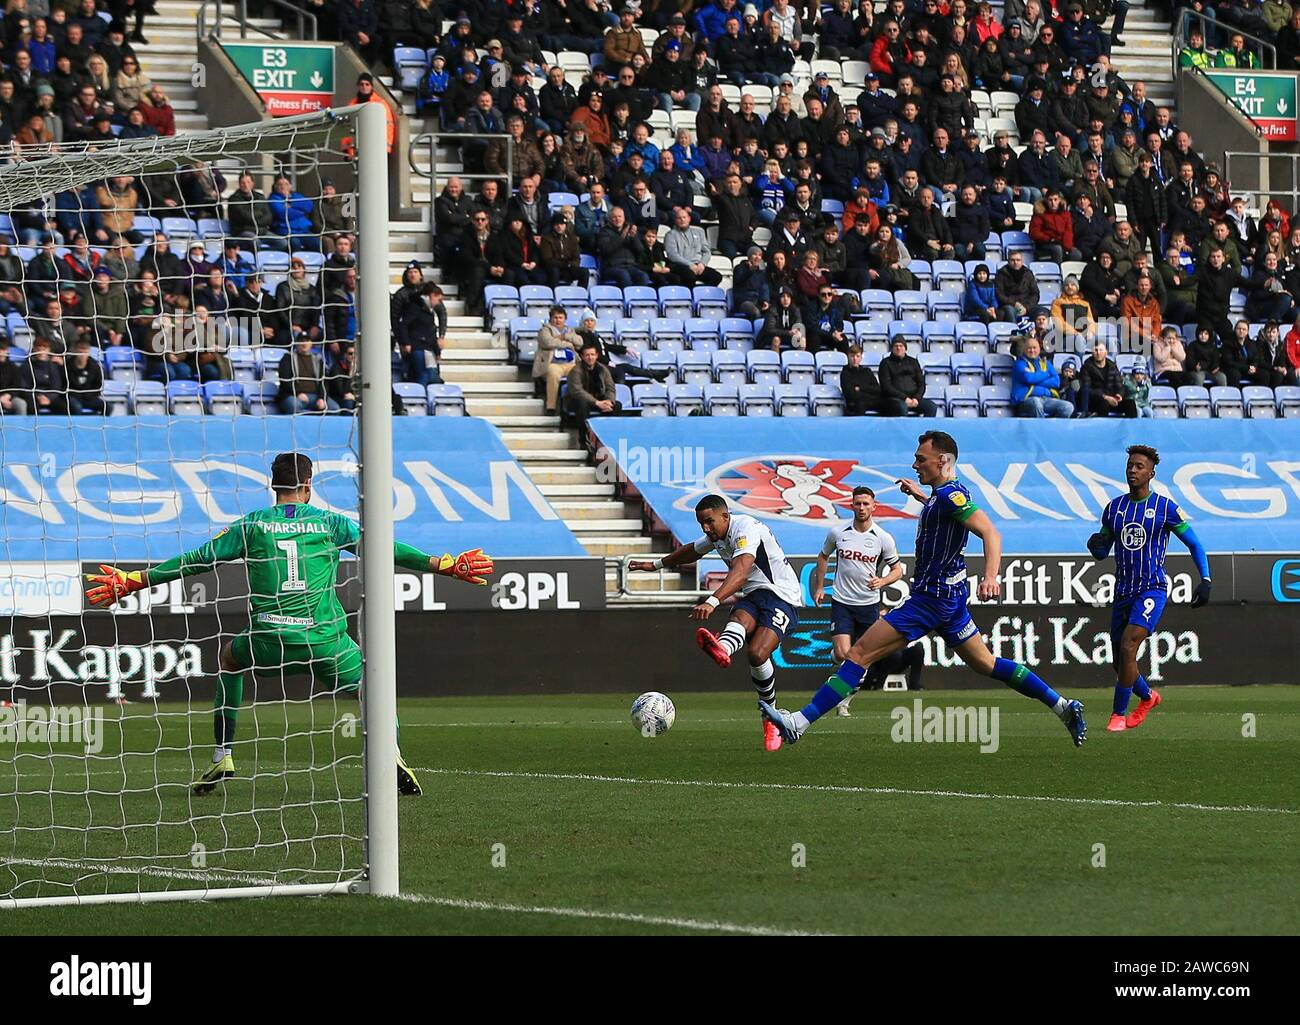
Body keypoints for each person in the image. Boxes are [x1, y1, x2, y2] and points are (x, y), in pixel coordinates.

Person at [85, 453, 495, 797]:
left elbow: (197, 559)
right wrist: (441, 565)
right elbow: (384, 547)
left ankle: (222, 754)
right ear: (308, 484)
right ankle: (389, 752)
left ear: (273, 485)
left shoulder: (253, 524)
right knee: (374, 683)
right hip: (325, 642)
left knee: (229, 656)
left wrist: (137, 580)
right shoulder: (330, 524)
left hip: (269, 641)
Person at [762, 431, 1087, 748]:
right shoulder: (944, 496)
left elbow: (991, 533)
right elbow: (945, 510)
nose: (915, 464)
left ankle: (798, 723)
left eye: (921, 459)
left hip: (931, 600)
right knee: (987, 664)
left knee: (858, 654)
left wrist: (991, 576)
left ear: (942, 460)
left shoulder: (949, 497)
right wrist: (920, 495)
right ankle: (1062, 706)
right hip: (950, 599)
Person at [627, 494, 804, 753]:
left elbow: (742, 569)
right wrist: (654, 565)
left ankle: (770, 716)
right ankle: (722, 648)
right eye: (701, 524)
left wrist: (712, 601)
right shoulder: (717, 535)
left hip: (782, 596)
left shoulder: (746, 529)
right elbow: (691, 551)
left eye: (709, 522)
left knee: (757, 653)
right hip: (754, 596)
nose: (706, 528)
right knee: (740, 618)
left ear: (725, 516)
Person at [1087, 445, 1211, 734]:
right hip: (1122, 592)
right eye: (1130, 465)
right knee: (1120, 661)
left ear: (1151, 473)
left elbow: (1194, 543)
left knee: (1129, 645)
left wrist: (1205, 579)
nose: (1133, 470)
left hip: (1151, 589)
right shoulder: (1114, 508)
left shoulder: (1166, 508)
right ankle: (1148, 697)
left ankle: (1118, 714)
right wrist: (1095, 545)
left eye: (1139, 466)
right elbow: (1102, 549)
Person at [810, 486, 905, 716]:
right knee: (844, 655)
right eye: (857, 503)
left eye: (866, 504)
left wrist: (882, 582)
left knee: (862, 658)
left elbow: (897, 570)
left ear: (874, 507)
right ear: (851, 505)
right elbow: (823, 556)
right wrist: (820, 587)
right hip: (842, 601)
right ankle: (835, 657)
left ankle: (845, 702)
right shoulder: (838, 532)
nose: (861, 508)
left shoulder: (883, 538)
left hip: (868, 605)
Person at [566, 341, 620, 432]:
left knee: (617, 405)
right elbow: (577, 391)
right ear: (582, 357)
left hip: (599, 399)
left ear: (597, 355)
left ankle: (609, 436)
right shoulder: (575, 371)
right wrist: (596, 402)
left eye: (592, 354)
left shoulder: (603, 369)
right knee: (582, 404)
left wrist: (609, 401)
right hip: (580, 400)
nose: (590, 357)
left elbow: (610, 387)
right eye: (587, 355)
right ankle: (584, 440)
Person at [1012, 335, 1073, 417]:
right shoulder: (1019, 363)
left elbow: (1056, 382)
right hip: (1026, 400)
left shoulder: (1046, 363)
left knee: (1067, 407)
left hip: (1046, 399)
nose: (1032, 350)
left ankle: (1054, 428)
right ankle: (1041, 429)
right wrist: (1047, 374)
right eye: (1029, 348)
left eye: (1034, 348)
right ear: (1024, 350)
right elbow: (1029, 379)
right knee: (1036, 402)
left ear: (1039, 349)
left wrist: (1035, 379)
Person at [534, 305, 580, 414]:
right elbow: (548, 342)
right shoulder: (544, 330)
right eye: (555, 317)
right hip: (553, 363)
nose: (558, 320)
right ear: (551, 318)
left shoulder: (570, 330)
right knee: (553, 374)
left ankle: (575, 403)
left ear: (565, 319)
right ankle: (551, 406)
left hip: (570, 363)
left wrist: (564, 337)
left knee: (580, 373)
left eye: (560, 317)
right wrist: (568, 344)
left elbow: (579, 343)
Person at [878, 336, 938, 416]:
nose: (898, 348)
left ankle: (927, 428)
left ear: (905, 348)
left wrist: (916, 398)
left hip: (913, 399)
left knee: (931, 406)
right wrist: (905, 398)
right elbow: (887, 387)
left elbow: (921, 384)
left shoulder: (913, 362)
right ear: (892, 348)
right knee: (901, 407)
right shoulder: (885, 363)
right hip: (895, 399)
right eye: (896, 346)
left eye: (901, 346)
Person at [1082, 340, 1135, 417]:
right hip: (1096, 401)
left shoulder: (1112, 366)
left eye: (1101, 350)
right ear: (1092, 352)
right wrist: (1105, 397)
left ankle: (1131, 428)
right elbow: (1087, 390)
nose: (1098, 353)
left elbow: (1120, 386)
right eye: (1096, 350)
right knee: (1104, 404)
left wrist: (1119, 395)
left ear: (1106, 352)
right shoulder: (1086, 367)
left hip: (1113, 400)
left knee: (1130, 403)